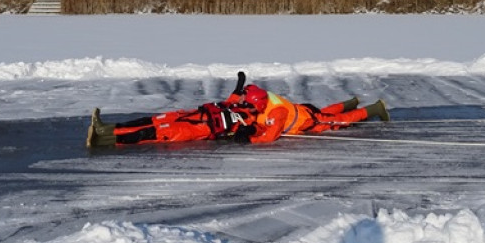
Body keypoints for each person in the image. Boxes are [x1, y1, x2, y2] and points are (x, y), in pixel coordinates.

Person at [87, 72, 259, 148]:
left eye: (245, 94)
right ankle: (104, 128)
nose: (242, 95)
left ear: (251, 101)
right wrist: (240, 83)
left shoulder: (250, 121)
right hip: (190, 115)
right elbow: (234, 97)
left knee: (150, 133)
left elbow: (247, 136)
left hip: (193, 129)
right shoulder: (237, 105)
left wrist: (246, 132)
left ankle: (102, 141)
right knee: (149, 121)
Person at [229, 82, 389, 144]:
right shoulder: (259, 96)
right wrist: (252, 128)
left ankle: (375, 108)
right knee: (326, 113)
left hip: (307, 121)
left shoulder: (276, 112)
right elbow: (249, 90)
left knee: (340, 121)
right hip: (303, 110)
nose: (247, 108)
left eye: (249, 106)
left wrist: (250, 139)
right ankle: (350, 103)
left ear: (258, 103)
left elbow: (270, 136)